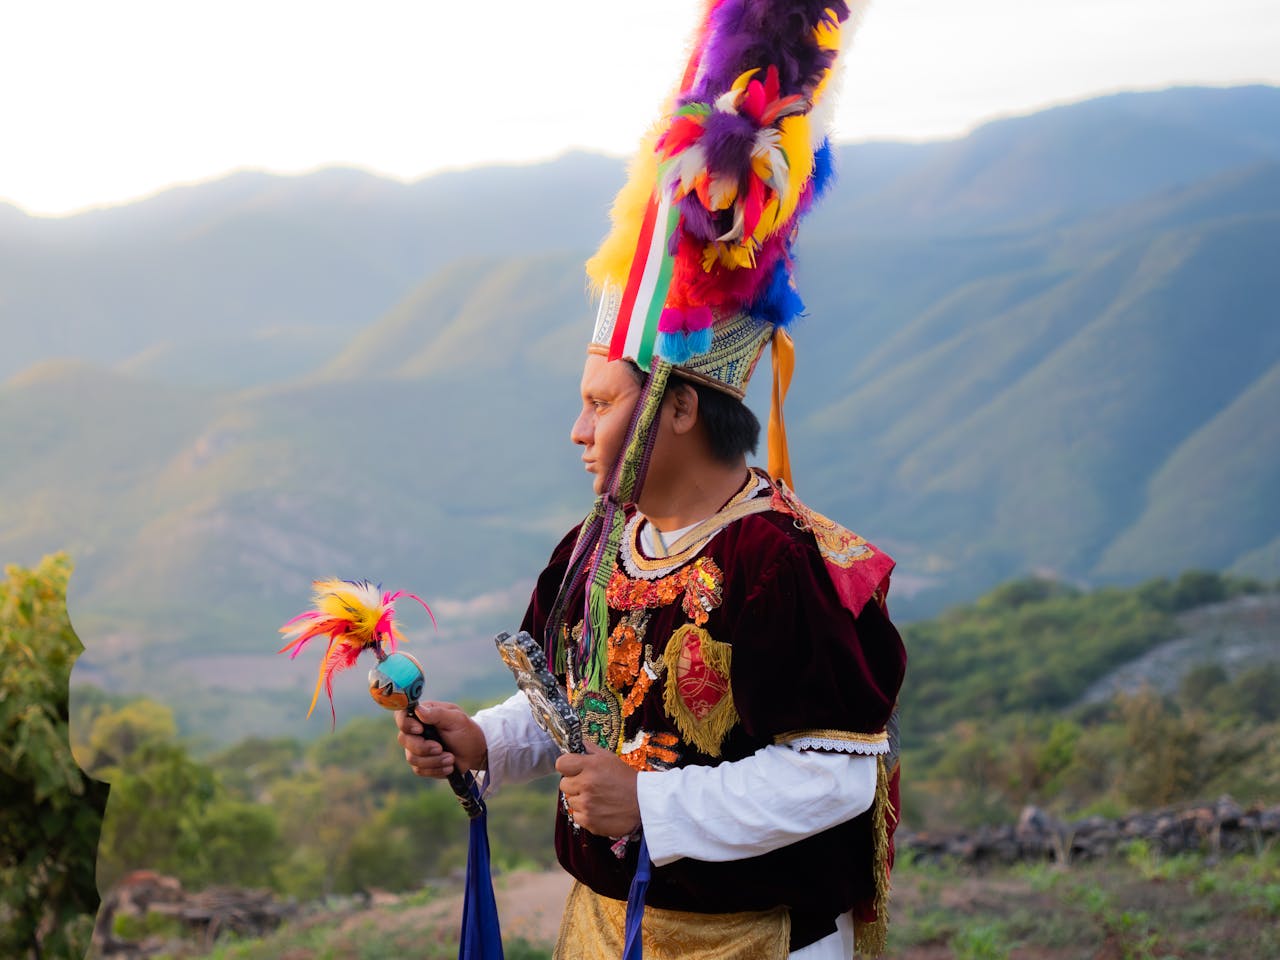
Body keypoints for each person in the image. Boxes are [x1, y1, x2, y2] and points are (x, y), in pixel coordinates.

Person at [397, 3, 906, 955]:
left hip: (755, 939)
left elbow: (837, 774)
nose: (578, 430)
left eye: (601, 403)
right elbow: (573, 703)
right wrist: (481, 741)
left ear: (677, 407)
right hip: (604, 926)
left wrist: (653, 803)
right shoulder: (598, 544)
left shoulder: (777, 560)